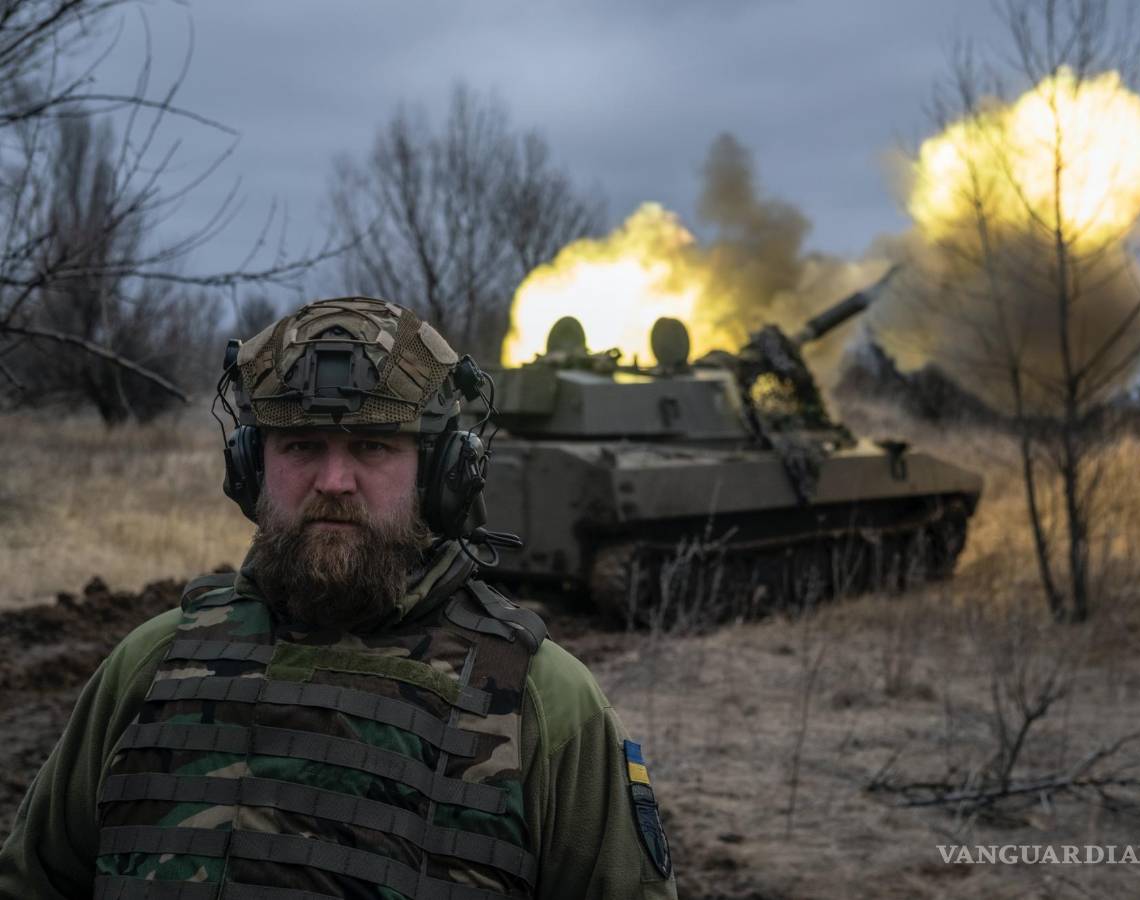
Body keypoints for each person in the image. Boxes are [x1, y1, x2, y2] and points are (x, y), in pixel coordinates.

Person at [0, 297, 677, 900]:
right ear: (249, 468)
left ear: (444, 475)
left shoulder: (543, 704)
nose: (334, 480)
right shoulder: (148, 667)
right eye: (301, 445)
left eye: (372, 446)